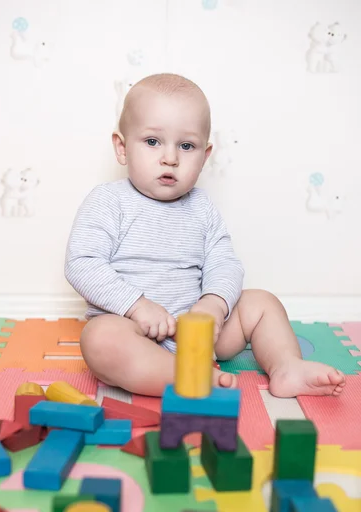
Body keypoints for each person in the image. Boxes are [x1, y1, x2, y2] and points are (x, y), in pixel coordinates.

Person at [65, 73, 346, 399]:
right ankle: (188, 377)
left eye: (186, 146)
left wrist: (214, 305)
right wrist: (136, 306)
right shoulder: (108, 201)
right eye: (153, 141)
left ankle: (286, 366)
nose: (170, 157)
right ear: (122, 147)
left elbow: (225, 263)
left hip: (201, 333)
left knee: (261, 303)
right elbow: (82, 264)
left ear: (205, 155)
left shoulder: (201, 207)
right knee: (99, 339)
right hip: (134, 330)